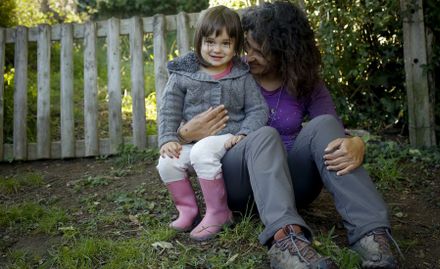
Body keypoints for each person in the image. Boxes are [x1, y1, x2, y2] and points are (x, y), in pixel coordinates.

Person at [177, 2, 401, 269]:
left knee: (325, 124)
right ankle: (285, 240)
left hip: (292, 183)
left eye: (259, 51)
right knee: (263, 134)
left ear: (284, 51)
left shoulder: (304, 81)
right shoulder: (227, 75)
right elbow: (185, 135)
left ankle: (371, 233)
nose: (248, 57)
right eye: (246, 48)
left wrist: (354, 142)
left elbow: (332, 131)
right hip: (238, 182)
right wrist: (184, 133)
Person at [156, 5, 268, 242]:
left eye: (226, 43)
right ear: (199, 41)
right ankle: (188, 210)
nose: (217, 49)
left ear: (236, 46)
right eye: (210, 42)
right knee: (168, 162)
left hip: (229, 137)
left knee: (202, 150)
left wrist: (246, 132)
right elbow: (169, 109)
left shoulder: (241, 74)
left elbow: (258, 109)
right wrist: (168, 138)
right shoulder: (183, 73)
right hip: (193, 140)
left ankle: (219, 212)